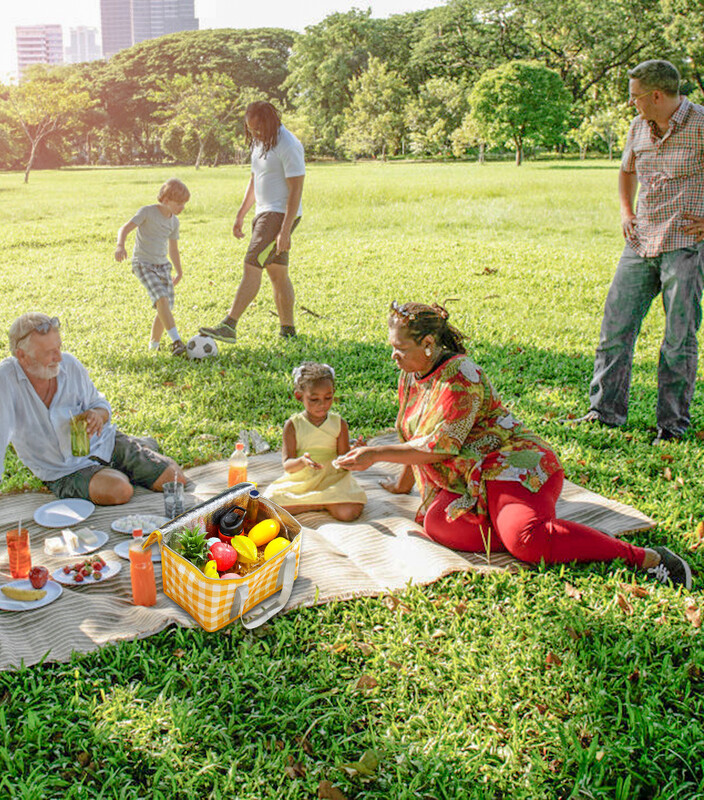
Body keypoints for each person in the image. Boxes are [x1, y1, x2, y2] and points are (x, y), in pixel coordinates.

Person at [334, 301, 693, 589]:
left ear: (428, 345)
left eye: (399, 348)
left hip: (513, 465)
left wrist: (374, 454)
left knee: (525, 541)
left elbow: (440, 446)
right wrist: (401, 485)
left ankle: (647, 557)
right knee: (437, 523)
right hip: (470, 479)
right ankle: (548, 532)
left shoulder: (461, 374)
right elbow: (414, 434)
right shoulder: (412, 375)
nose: (392, 356)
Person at [0, 313, 186, 532]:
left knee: (175, 479)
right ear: (21, 356)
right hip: (63, 469)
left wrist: (97, 414)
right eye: (49, 353)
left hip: (103, 442)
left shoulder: (69, 366)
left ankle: (136, 450)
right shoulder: (3, 382)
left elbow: (100, 403)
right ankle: (135, 455)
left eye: (59, 348)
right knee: (120, 490)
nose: (59, 358)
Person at [581, 60, 704, 444]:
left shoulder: (701, 124)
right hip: (641, 241)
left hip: (685, 244)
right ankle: (604, 413)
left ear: (656, 95)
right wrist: (625, 210)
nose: (631, 103)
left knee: (678, 338)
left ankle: (671, 426)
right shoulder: (638, 126)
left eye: (635, 96)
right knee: (614, 329)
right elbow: (626, 170)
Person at [199, 101, 305, 343]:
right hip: (264, 212)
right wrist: (241, 213)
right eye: (250, 129)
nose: (255, 133)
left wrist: (285, 230)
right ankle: (288, 331)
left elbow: (296, 188)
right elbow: (255, 179)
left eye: (258, 128)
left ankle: (230, 324)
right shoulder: (260, 142)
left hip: (279, 214)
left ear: (270, 121)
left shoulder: (288, 145)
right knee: (277, 273)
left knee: (251, 263)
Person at [264, 362, 366, 521]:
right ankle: (321, 503)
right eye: (314, 399)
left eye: (328, 397)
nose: (322, 404)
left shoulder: (339, 423)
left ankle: (316, 502)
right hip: (302, 479)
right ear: (299, 396)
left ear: (334, 393)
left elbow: (344, 460)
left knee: (348, 512)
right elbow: (288, 466)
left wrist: (356, 451)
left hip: (333, 477)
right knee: (270, 503)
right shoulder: (293, 425)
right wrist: (302, 461)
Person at [115, 177, 190, 357]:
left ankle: (153, 347)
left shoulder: (174, 222)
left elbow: (173, 248)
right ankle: (177, 341)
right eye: (179, 203)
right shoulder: (147, 212)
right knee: (161, 298)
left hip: (163, 266)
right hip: (143, 263)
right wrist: (120, 245)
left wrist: (179, 271)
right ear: (165, 200)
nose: (182, 207)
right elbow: (125, 228)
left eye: (184, 204)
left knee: (164, 308)